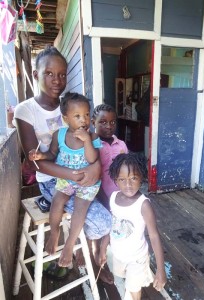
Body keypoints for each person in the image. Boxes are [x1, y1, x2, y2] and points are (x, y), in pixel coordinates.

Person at [13, 46, 112, 282]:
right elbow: (36, 161)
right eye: (49, 73)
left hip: (85, 176)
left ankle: (91, 255)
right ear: (36, 75)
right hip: (54, 180)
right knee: (101, 220)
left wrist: (94, 169)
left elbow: (94, 143)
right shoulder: (25, 110)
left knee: (98, 213)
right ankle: (79, 250)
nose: (57, 80)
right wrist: (74, 173)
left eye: (62, 74)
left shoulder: (75, 106)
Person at [28, 92, 102, 267]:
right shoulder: (59, 135)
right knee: (57, 202)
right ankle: (55, 233)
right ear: (66, 118)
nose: (83, 120)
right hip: (66, 181)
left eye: (86, 115)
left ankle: (69, 245)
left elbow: (92, 159)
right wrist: (40, 155)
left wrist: (86, 142)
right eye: (77, 116)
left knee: (80, 210)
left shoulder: (92, 137)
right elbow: (52, 154)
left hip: (86, 183)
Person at [98, 153, 167, 300]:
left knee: (133, 289)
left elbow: (154, 236)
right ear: (115, 180)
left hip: (137, 258)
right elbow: (111, 225)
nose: (128, 184)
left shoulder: (144, 205)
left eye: (133, 178)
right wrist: (103, 249)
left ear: (141, 177)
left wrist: (161, 270)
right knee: (123, 278)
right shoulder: (113, 198)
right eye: (122, 179)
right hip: (118, 254)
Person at [92, 104, 128, 211]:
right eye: (103, 122)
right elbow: (94, 179)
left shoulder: (121, 145)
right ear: (93, 123)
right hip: (100, 199)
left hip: (121, 196)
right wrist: (106, 204)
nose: (109, 126)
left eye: (112, 122)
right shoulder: (92, 147)